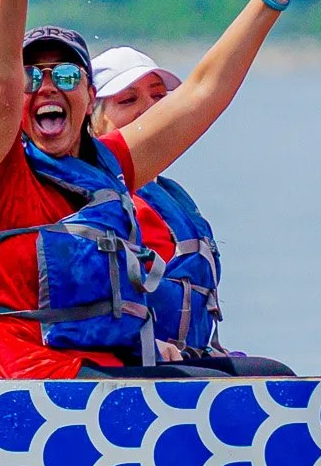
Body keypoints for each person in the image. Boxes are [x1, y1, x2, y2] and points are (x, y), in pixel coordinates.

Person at [0, 0, 314, 380]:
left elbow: (202, 93)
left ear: (88, 96)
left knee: (270, 376)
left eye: (67, 74)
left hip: (91, 376)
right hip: (6, 386)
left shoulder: (107, 166)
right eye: (34, 77)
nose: (48, 86)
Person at [89, 45, 235, 358]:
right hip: (136, 358)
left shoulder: (169, 194)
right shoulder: (95, 199)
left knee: (270, 372)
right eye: (128, 100)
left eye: (158, 97)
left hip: (189, 352)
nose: (152, 110)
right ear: (93, 123)